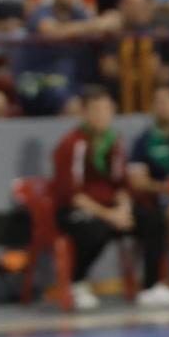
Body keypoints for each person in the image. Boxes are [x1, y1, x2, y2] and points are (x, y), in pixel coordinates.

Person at [50, 86, 141, 311]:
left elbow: (121, 184)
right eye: (96, 110)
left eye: (106, 110)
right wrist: (110, 215)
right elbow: (72, 194)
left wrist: (123, 209)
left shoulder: (115, 141)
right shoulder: (72, 144)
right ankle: (76, 281)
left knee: (151, 220)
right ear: (85, 113)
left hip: (110, 207)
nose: (102, 115)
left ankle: (153, 286)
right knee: (95, 230)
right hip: (73, 210)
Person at [125, 85, 169, 308]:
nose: (163, 107)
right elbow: (137, 181)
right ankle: (162, 281)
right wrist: (163, 188)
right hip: (156, 203)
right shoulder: (144, 141)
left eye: (168, 101)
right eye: (158, 102)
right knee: (165, 218)